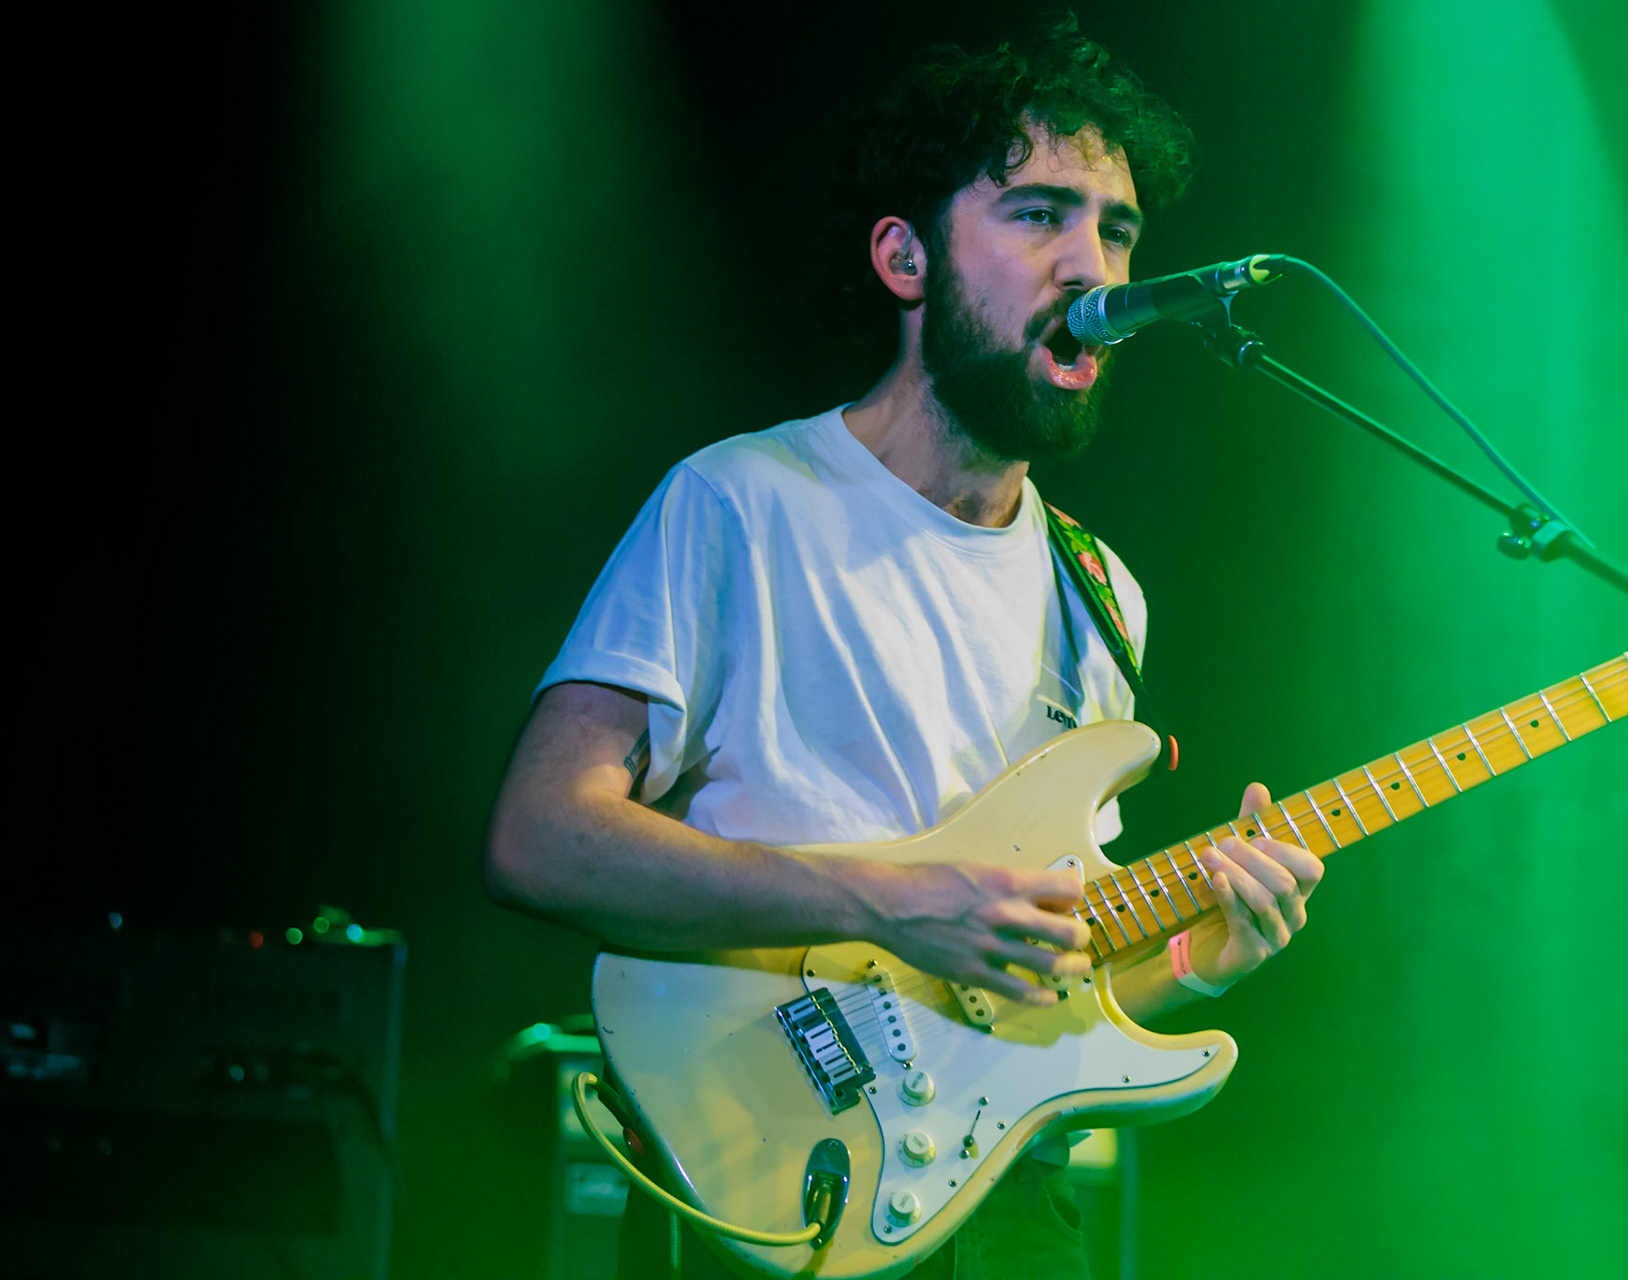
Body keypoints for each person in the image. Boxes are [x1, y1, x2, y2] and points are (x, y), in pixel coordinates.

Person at [483, 17, 1325, 1279]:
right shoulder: (741, 502)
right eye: (1039, 213)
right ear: (906, 256)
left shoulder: (1101, 591)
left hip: (1006, 1208)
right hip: (773, 1160)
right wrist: (886, 900)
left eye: (1118, 229)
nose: (1090, 263)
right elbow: (537, 836)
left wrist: (1197, 962)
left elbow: (1028, 996)